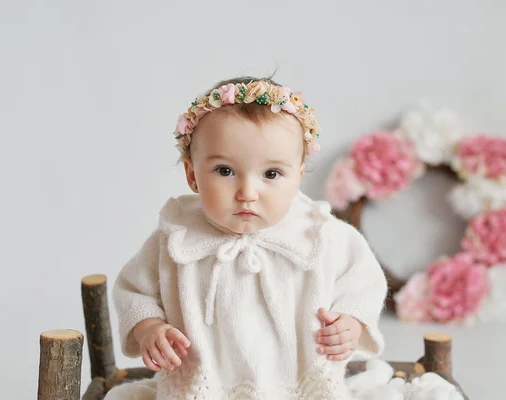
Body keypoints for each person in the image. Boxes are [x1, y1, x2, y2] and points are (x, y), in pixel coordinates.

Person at [105, 76, 388, 399]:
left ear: (298, 174)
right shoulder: (177, 238)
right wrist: (150, 329)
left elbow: (363, 283)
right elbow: (134, 291)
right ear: (192, 174)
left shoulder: (321, 235)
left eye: (271, 174)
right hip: (203, 386)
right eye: (225, 171)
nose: (247, 193)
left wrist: (350, 322)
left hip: (301, 387)